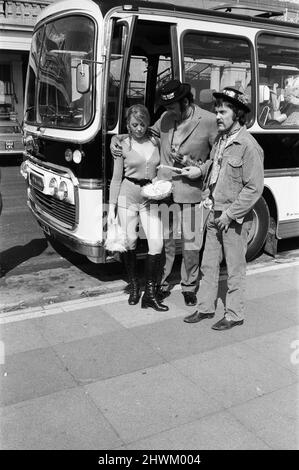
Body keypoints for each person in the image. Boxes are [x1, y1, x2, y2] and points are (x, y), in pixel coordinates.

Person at [111, 79, 217, 306]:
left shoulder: (208, 121)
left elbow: (217, 158)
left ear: (186, 102)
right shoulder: (167, 118)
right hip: (163, 190)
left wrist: (198, 169)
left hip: (191, 190)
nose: (167, 111)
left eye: (171, 107)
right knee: (165, 242)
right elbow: (142, 133)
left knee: (190, 243)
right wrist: (116, 139)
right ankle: (161, 283)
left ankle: (189, 286)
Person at [184, 87, 264, 330]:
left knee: (234, 268)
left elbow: (253, 188)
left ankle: (234, 314)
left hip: (233, 219)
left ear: (237, 114)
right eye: (216, 111)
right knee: (208, 264)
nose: (217, 116)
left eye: (222, 111)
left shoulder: (248, 146)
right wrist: (199, 170)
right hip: (213, 211)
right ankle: (205, 307)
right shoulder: (221, 139)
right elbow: (215, 166)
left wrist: (230, 215)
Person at [108, 104, 169, 312]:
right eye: (134, 124)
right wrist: (111, 209)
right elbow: (116, 179)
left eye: (143, 124)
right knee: (131, 240)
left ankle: (150, 294)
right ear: (128, 124)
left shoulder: (156, 141)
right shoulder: (122, 144)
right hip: (128, 193)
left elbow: (163, 165)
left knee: (157, 243)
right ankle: (134, 285)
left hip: (150, 195)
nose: (139, 129)